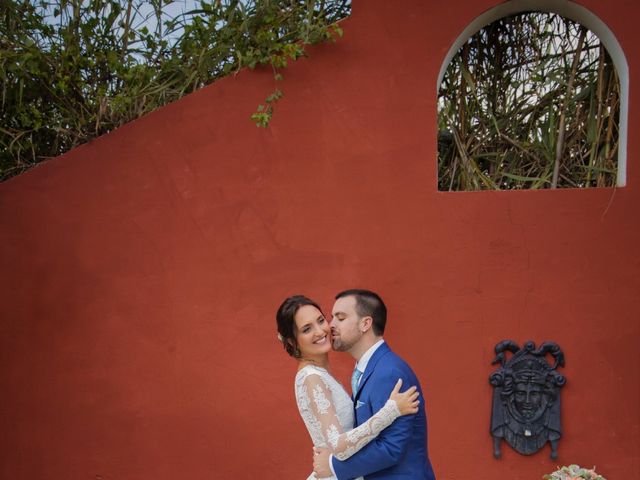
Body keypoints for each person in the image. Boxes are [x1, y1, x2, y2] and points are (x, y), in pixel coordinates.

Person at [276, 295, 421, 480]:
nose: (320, 331)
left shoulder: (322, 374)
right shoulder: (311, 378)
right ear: (291, 341)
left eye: (321, 320)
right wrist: (391, 411)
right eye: (306, 329)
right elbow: (337, 445)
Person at [313, 289, 436, 480]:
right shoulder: (369, 368)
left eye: (341, 318)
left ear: (365, 324)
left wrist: (333, 466)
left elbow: (391, 448)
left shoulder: (389, 372)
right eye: (332, 317)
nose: (331, 325)